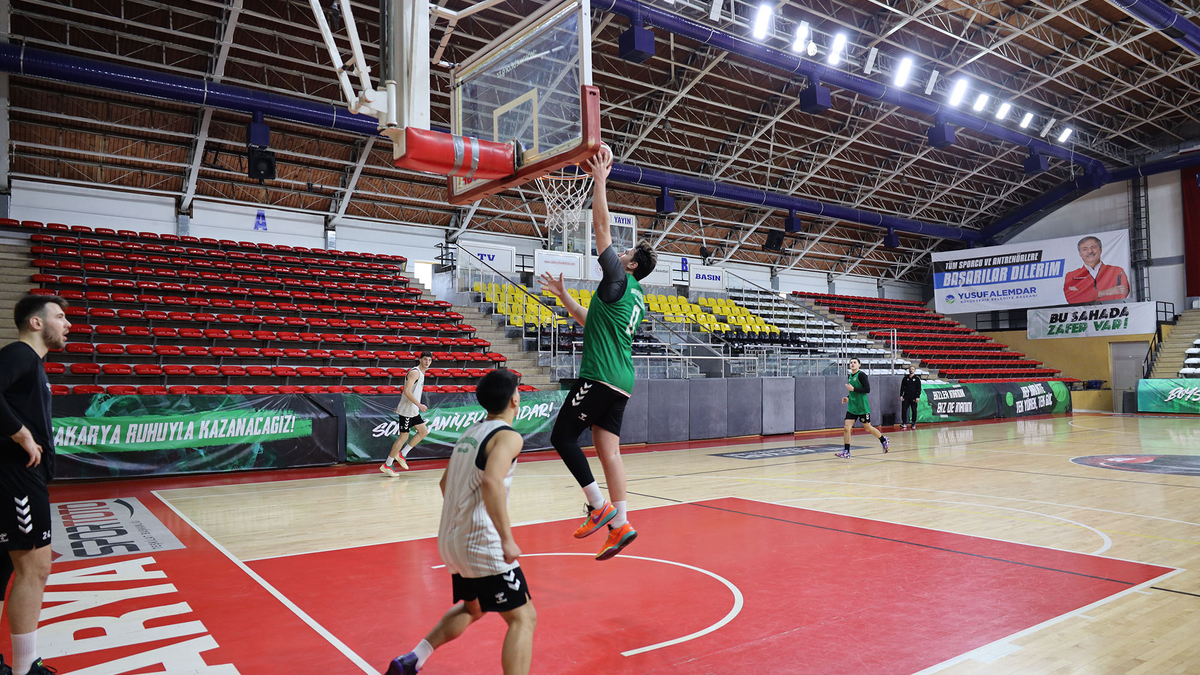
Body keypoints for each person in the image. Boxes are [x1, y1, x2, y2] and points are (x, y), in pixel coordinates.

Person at [539, 144, 657, 562]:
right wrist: (567, 297)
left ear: (631, 266)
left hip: (602, 374)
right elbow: (591, 322)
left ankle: (598, 506)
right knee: (608, 450)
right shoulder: (636, 296)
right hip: (622, 379)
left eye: (625, 255)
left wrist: (600, 180)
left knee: (561, 436)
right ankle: (621, 524)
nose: (618, 254)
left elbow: (601, 231)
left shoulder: (619, 279)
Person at [385, 369, 535, 675]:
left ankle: (413, 659)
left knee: (474, 607)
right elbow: (492, 482)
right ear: (515, 400)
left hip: (451, 539)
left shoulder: (470, 432)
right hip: (480, 541)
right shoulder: (508, 436)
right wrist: (506, 538)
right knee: (523, 618)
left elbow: (445, 484)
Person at [0, 295, 70, 675]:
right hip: (16, 477)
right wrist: (21, 434)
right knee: (35, 568)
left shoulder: (32, 364)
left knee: (2, 570)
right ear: (36, 323)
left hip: (12, 477)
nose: (67, 323)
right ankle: (26, 669)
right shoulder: (20, 355)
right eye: (60, 316)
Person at [381, 351, 433, 475]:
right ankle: (387, 464)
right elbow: (407, 391)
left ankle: (402, 454)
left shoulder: (421, 373)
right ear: (420, 359)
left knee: (423, 431)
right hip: (408, 411)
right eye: (425, 359)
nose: (427, 362)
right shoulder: (415, 372)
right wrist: (419, 405)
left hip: (412, 410)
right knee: (403, 437)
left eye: (429, 360)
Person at [835, 358, 889, 458]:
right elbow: (852, 392)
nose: (852, 364)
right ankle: (846, 451)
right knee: (847, 428)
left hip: (862, 407)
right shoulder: (849, 376)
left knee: (868, 428)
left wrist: (853, 389)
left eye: (855, 362)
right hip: (852, 407)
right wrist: (847, 397)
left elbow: (867, 389)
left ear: (859, 365)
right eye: (851, 363)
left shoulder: (862, 375)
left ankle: (883, 439)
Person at [1063, 236, 1129, 304]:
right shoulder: (1072, 275)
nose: (1090, 251)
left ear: (1100, 250)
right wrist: (1106, 292)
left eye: (1093, 247)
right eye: (1085, 249)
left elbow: (1121, 295)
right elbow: (1072, 299)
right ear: (1080, 253)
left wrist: (1084, 295)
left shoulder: (1117, 271)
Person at [900, 365, 922, 430]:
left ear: (914, 370)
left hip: (913, 397)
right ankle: (904, 423)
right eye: (910, 369)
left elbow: (919, 388)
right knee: (904, 409)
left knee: (914, 410)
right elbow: (902, 388)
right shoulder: (905, 378)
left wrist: (917, 397)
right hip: (906, 396)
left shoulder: (917, 378)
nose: (911, 370)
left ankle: (913, 423)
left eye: (912, 369)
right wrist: (901, 395)